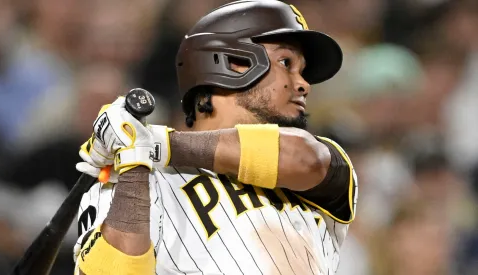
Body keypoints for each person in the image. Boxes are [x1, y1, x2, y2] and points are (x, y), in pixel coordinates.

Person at [73, 1, 358, 274]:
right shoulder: (137, 183)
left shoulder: (320, 175)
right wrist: (133, 160)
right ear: (233, 62)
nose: (304, 84)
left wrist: (155, 143)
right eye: (286, 63)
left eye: (303, 71)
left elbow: (306, 160)